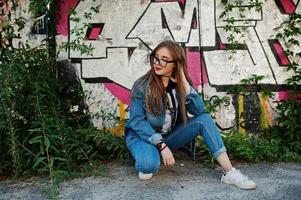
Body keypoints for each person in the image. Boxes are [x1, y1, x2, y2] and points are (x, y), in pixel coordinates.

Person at [124, 40, 256, 190]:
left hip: (168, 135)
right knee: (148, 166)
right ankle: (148, 154)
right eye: (156, 57)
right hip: (143, 136)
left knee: (204, 120)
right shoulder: (141, 86)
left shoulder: (181, 84)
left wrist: (184, 84)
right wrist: (161, 145)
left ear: (176, 64)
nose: (157, 62)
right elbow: (136, 121)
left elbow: (199, 111)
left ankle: (229, 173)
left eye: (165, 60)